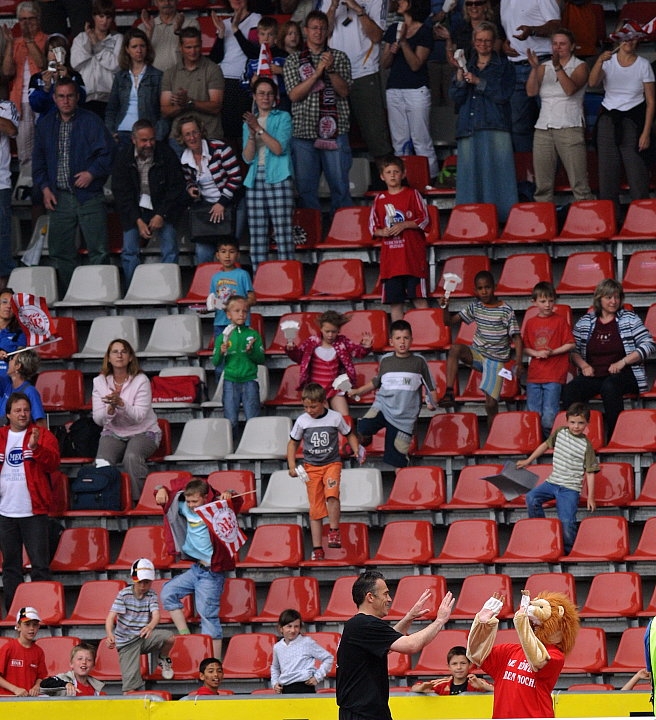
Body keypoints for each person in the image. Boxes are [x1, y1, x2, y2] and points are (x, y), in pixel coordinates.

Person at [31, 76, 115, 296]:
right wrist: (45, 188)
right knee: (60, 252)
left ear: (78, 97)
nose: (66, 100)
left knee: (99, 250)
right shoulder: (45, 125)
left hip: (89, 195)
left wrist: (92, 173)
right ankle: (72, 296)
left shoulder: (91, 121)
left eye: (70, 96)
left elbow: (108, 153)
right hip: (59, 197)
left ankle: (100, 297)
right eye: (61, 96)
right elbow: (38, 162)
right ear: (54, 98)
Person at [336, 570, 455, 720]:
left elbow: (390, 641)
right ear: (370, 597)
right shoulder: (364, 624)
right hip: (362, 714)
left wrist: (409, 617)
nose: (389, 599)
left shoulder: (360, 624)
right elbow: (411, 645)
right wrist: (440, 621)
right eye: (385, 594)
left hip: (368, 713)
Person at [156, 477, 244, 659]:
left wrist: (230, 494)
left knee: (208, 618)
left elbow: (236, 502)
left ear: (205, 497)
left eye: (195, 501)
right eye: (188, 501)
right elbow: (167, 497)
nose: (191, 505)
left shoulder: (217, 509)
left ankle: (213, 663)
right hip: (196, 569)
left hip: (212, 573)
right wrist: (159, 489)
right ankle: (185, 636)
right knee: (167, 592)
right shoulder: (184, 507)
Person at [561, 278, 655, 441]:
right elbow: (572, 349)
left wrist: (623, 362)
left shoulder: (629, 318)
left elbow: (649, 344)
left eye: (617, 297)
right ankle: (573, 439)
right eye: (609, 297)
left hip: (625, 374)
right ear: (599, 299)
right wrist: (583, 365)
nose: (614, 301)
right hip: (594, 374)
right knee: (570, 390)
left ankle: (615, 437)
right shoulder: (586, 321)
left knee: (610, 387)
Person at [283, 10, 353, 216]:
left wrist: (330, 70)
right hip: (303, 133)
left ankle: (343, 230)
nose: (318, 32)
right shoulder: (294, 60)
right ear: (306, 31)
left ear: (327, 31)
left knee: (340, 186)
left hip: (335, 132)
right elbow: (294, 95)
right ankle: (312, 231)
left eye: (322, 28)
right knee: (305, 189)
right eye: (314, 28)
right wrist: (316, 74)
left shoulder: (339, 57)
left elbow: (344, 91)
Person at [449, 21, 517, 222]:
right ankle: (470, 219)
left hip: (495, 125)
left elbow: (503, 94)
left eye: (487, 40)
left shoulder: (505, 66)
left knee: (499, 174)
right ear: (473, 42)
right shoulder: (466, 65)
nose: (483, 44)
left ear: (494, 42)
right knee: (469, 175)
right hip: (469, 126)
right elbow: (455, 97)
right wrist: (460, 77)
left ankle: (503, 219)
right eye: (479, 40)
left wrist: (479, 82)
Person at [287, 383, 363, 560]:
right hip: (311, 468)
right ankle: (317, 548)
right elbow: (292, 443)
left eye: (313, 407)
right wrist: (291, 465)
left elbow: (349, 434)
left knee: (332, 494)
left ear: (323, 403)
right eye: (306, 407)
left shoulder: (335, 418)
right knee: (315, 508)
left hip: (331, 464)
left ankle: (334, 530)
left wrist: (356, 449)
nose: (309, 411)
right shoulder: (302, 421)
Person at [350, 319, 437, 469]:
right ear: (391, 341)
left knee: (397, 461)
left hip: (404, 419)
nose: (402, 342)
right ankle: (362, 447)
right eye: (398, 338)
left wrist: (432, 404)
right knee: (362, 428)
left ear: (412, 340)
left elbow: (432, 389)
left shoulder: (419, 362)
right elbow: (376, 382)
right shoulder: (386, 360)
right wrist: (358, 391)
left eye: (406, 338)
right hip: (383, 407)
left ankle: (402, 483)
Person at [0, 392, 60, 612]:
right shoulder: (0, 436)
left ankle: (41, 611)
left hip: (34, 511)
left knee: (40, 566)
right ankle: (14, 614)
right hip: (5, 512)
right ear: (8, 414)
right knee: (10, 567)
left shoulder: (42, 435)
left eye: (26, 410)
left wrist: (36, 449)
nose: (23, 414)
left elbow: (53, 464)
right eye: (17, 410)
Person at [439, 270, 523, 424]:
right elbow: (448, 322)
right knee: (455, 349)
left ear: (494, 287)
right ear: (475, 290)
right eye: (480, 288)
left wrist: (518, 362)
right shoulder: (475, 307)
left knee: (490, 404)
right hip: (478, 354)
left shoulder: (506, 310)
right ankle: (449, 392)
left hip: (496, 360)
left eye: (487, 287)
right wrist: (445, 307)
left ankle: (493, 435)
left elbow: (516, 338)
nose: (484, 291)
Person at [111, 119, 187, 285]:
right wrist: (138, 220)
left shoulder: (166, 153)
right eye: (144, 140)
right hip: (134, 208)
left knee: (170, 249)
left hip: (162, 207)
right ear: (133, 140)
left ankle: (169, 288)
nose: (149, 144)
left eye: (152, 139)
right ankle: (133, 290)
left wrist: (161, 214)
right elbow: (122, 195)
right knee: (129, 251)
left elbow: (176, 188)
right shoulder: (123, 157)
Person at [517, 401, 599, 554]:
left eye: (581, 423)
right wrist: (528, 461)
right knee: (531, 498)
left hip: (570, 489)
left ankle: (569, 552)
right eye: (572, 422)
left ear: (587, 423)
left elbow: (590, 472)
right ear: (566, 421)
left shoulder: (586, 446)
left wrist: (591, 497)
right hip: (552, 483)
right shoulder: (560, 432)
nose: (576, 426)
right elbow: (545, 445)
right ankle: (542, 534)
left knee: (567, 522)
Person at [588, 30, 655, 212]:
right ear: (618, 41)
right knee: (607, 173)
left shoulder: (643, 64)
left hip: (633, 121)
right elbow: (592, 83)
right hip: (609, 119)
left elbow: (651, 102)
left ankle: (642, 217)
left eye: (633, 39)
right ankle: (611, 218)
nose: (628, 42)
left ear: (637, 42)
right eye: (625, 39)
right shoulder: (608, 61)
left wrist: (646, 133)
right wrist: (600, 61)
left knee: (637, 172)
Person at [526, 28, 594, 204]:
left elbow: (570, 90)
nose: (557, 47)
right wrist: (534, 69)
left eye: (562, 44)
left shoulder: (580, 66)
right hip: (543, 127)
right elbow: (531, 92)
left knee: (579, 183)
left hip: (569, 126)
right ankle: (544, 219)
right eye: (554, 44)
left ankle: (587, 218)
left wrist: (558, 67)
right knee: (542, 185)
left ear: (572, 46)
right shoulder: (544, 66)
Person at [321, 0, 392, 160]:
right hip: (335, 72)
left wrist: (358, 10)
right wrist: (333, 6)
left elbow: (377, 36)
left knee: (375, 133)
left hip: (364, 71)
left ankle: (385, 172)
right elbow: (323, 34)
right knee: (334, 132)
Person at [91, 338, 161, 500]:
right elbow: (98, 420)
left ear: (130, 358)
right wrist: (110, 409)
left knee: (131, 457)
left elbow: (139, 416)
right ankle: (104, 501)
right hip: (113, 432)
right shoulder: (99, 382)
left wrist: (121, 404)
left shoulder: (141, 380)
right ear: (108, 358)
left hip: (144, 432)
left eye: (124, 352)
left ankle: (139, 502)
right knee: (102, 461)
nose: (119, 355)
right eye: (115, 352)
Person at [242, 76, 295, 271]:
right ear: (254, 97)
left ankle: (288, 276)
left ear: (275, 97)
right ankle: (260, 278)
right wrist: (251, 135)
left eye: (270, 94)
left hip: (279, 176)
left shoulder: (283, 117)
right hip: (255, 177)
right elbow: (247, 158)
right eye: (261, 93)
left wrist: (258, 128)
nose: (265, 97)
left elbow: (279, 149)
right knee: (257, 233)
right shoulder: (247, 123)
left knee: (283, 232)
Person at [381, 0, 439, 180]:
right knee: (399, 141)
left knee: (420, 139)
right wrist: (391, 51)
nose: (399, 2)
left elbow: (416, 64)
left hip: (417, 90)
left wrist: (404, 43)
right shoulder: (393, 28)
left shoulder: (425, 31)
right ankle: (401, 182)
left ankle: (429, 180)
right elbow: (384, 64)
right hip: (394, 89)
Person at [369, 154, 430, 322]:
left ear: (403, 174)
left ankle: (428, 332)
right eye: (388, 172)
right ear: (382, 176)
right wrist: (383, 232)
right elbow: (372, 227)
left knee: (419, 299)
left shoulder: (412, 194)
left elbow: (425, 219)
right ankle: (398, 335)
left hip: (412, 259)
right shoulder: (379, 199)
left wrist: (404, 225)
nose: (392, 175)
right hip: (391, 263)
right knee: (395, 303)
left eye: (396, 172)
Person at [177, 114, 242, 265]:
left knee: (227, 249)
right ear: (182, 138)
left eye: (195, 132)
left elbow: (236, 177)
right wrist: (191, 188)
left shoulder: (220, 149)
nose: (192, 137)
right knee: (202, 251)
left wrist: (222, 203)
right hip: (207, 208)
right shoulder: (185, 159)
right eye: (187, 134)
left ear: (201, 131)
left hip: (231, 204)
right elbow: (188, 180)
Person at [105, 557, 175, 693]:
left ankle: (163, 658)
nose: (143, 586)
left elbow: (156, 615)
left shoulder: (151, 595)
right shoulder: (123, 594)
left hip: (143, 637)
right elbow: (110, 618)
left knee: (170, 637)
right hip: (126, 643)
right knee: (130, 689)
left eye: (147, 582)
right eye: (140, 582)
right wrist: (109, 634)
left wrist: (150, 626)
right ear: (133, 579)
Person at [498, 0, 561, 153]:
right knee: (518, 125)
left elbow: (556, 25)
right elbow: (508, 30)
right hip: (515, 66)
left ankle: (554, 166)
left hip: (542, 63)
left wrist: (532, 31)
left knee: (551, 121)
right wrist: (504, 45)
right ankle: (526, 166)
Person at [285, 310, 373, 417]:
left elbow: (357, 352)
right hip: (316, 390)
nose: (330, 335)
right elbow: (298, 357)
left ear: (339, 330)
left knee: (344, 415)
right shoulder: (311, 342)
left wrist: (366, 347)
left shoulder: (342, 342)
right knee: (322, 416)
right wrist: (291, 349)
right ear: (321, 329)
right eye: (327, 331)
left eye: (334, 331)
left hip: (335, 388)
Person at [522, 282, 575, 439]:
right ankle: (535, 441)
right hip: (534, 375)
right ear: (534, 302)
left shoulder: (560, 321)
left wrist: (552, 352)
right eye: (543, 301)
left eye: (551, 301)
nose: (547, 305)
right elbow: (525, 347)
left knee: (550, 414)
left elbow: (571, 344)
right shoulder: (531, 323)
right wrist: (537, 353)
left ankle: (549, 441)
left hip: (554, 375)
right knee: (533, 413)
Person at [209, 0, 262, 152]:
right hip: (223, 80)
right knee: (227, 130)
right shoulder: (224, 23)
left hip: (243, 81)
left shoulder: (256, 19)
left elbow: (254, 53)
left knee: (243, 130)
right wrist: (221, 33)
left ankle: (245, 163)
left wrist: (236, 29)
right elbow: (215, 58)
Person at [1, 2, 47, 174]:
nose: (27, 23)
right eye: (22, 19)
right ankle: (27, 183)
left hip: (42, 100)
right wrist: (9, 44)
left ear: (39, 19)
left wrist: (29, 40)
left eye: (30, 19)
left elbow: (42, 64)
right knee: (25, 151)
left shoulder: (47, 39)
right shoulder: (15, 43)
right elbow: (7, 71)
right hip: (20, 101)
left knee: (46, 146)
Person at [212, 295, 265, 438]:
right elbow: (215, 362)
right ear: (228, 315)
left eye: (244, 311)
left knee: (253, 420)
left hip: (250, 381)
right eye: (237, 311)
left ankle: (254, 446)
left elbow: (261, 359)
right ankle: (232, 447)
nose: (241, 314)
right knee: (231, 421)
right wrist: (221, 352)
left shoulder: (253, 334)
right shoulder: (223, 337)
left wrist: (251, 352)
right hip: (230, 382)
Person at [161, 27, 225, 145]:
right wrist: (183, 105)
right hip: (178, 138)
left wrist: (190, 102)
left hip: (208, 135)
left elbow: (216, 106)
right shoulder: (170, 73)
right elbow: (165, 111)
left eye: (196, 46)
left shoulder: (213, 69)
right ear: (180, 47)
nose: (193, 51)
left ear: (201, 44)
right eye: (188, 47)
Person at [105, 29, 164, 147]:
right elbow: (111, 109)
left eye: (142, 46)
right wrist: (111, 132)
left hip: (147, 135)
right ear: (127, 49)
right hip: (121, 133)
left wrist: (157, 136)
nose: (139, 50)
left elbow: (165, 112)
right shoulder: (120, 77)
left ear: (147, 48)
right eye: (134, 46)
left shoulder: (158, 76)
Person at [70, 0, 122, 119]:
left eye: (108, 17)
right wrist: (90, 43)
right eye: (101, 16)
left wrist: (97, 45)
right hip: (84, 97)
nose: (104, 21)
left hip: (109, 98)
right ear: (94, 17)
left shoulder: (118, 38)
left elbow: (116, 65)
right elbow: (75, 64)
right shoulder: (81, 38)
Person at [271, 608, 333, 693]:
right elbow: (275, 667)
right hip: (286, 688)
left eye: (296, 626)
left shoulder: (307, 642)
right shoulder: (277, 647)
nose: (293, 630)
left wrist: (317, 677)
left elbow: (328, 658)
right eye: (289, 626)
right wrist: (275, 683)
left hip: (305, 686)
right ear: (281, 628)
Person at [28, 34, 86, 117]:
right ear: (46, 54)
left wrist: (68, 80)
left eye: (59, 51)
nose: (55, 55)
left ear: (66, 54)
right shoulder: (37, 78)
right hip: (47, 121)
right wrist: (46, 88)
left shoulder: (75, 76)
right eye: (51, 51)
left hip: (73, 120)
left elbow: (82, 100)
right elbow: (35, 106)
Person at [207, 239, 256, 337]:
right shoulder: (215, 277)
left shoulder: (243, 274)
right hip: (220, 322)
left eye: (232, 252)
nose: (227, 255)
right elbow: (213, 300)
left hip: (240, 322)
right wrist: (207, 308)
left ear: (238, 255)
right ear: (217, 255)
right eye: (223, 252)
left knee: (240, 346)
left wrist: (236, 305)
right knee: (222, 346)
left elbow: (252, 299)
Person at [138, 0, 198, 73]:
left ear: (177, 1)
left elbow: (191, 54)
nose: (167, 3)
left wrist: (179, 31)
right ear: (155, 2)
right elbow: (138, 56)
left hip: (182, 75)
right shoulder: (143, 27)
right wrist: (149, 33)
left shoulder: (191, 24)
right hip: (152, 77)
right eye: (162, 0)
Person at [0, 607, 47, 696]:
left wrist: (37, 686)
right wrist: (15, 689)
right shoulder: (8, 648)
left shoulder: (39, 651)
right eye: (27, 624)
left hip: (29, 700)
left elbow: (41, 676)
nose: (31, 628)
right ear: (18, 626)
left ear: (38, 627)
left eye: (35, 624)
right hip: (7, 699)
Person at [410, 644, 494, 694]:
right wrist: (421, 688)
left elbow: (498, 690)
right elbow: (414, 688)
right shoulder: (442, 683)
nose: (459, 667)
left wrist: (483, 687)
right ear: (449, 667)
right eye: (454, 664)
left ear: (470, 665)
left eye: (463, 663)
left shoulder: (478, 682)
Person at [0, 349, 46, 427]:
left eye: (12, 359)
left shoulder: (30, 392)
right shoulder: (7, 384)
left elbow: (41, 423)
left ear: (18, 366)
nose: (8, 362)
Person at [40, 642, 106, 696]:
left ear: (93, 666)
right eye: (80, 659)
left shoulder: (97, 687)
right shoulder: (63, 678)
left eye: (89, 660)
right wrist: (65, 684)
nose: (84, 662)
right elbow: (43, 684)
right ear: (71, 664)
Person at [0, 104, 18, 290]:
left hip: (0, 185)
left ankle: (2, 293)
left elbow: (12, 130)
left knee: (1, 241)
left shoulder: (6, 106)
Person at [0, 290, 26, 378]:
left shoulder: (20, 333)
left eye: (12, 304)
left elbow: (21, 360)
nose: (8, 306)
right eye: (4, 302)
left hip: (9, 380)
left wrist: (7, 356)